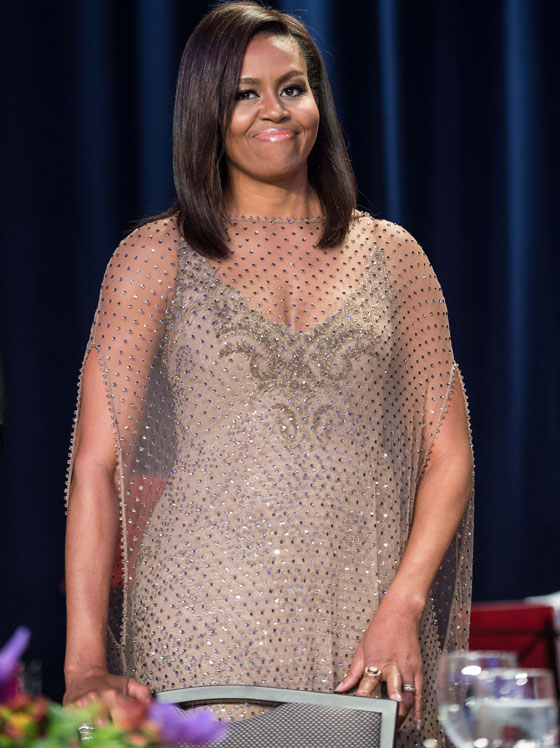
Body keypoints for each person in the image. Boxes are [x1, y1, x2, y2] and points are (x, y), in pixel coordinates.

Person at [63, 2, 474, 746]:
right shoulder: (154, 257)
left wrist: (404, 603)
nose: (273, 111)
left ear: (318, 100)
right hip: (197, 621)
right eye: (243, 93)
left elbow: (448, 456)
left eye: (292, 88)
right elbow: (97, 464)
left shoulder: (395, 257)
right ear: (206, 112)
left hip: (364, 622)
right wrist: (84, 661)